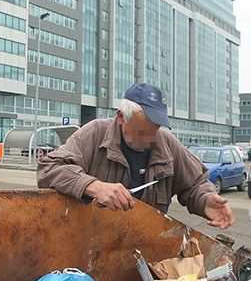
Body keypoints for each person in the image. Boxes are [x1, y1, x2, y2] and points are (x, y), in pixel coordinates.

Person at [37, 83, 235, 229]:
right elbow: (50, 169)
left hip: (143, 243)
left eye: (155, 129)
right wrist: (95, 187)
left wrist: (206, 199)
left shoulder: (165, 141)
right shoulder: (94, 133)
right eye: (142, 131)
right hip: (92, 244)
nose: (150, 138)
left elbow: (195, 183)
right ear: (121, 117)